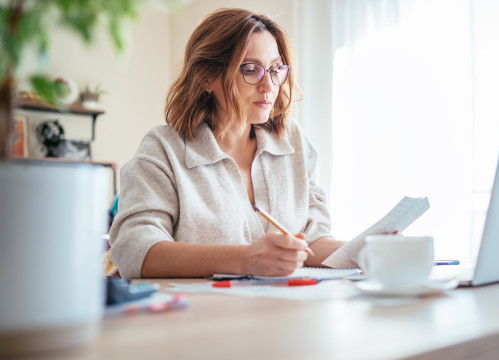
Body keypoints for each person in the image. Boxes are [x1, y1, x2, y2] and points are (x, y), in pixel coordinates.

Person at [109, 8, 347, 279]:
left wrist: (366, 250)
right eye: (250, 69)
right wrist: (246, 259)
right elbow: (133, 250)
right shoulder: (164, 149)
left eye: (275, 69)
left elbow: (311, 242)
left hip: (285, 314)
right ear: (207, 76)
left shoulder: (293, 142)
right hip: (200, 318)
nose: (269, 86)